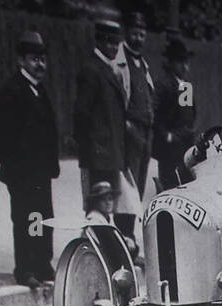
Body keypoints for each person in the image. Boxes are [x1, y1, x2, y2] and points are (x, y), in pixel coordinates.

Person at [0, 28, 58, 289]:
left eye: (42, 59)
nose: (39, 65)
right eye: (33, 59)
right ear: (21, 61)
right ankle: (26, 268)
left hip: (40, 172)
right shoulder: (12, 90)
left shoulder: (40, 90)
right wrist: (14, 165)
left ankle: (42, 263)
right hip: (22, 172)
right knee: (26, 219)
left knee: (42, 217)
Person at [72, 18, 126, 218]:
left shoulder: (107, 70)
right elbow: (81, 113)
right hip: (98, 155)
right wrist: (89, 151)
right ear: (99, 43)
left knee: (108, 207)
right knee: (96, 206)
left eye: (116, 43)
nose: (113, 47)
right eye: (109, 42)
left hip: (109, 153)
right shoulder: (91, 71)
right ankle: (93, 244)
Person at [116, 7, 153, 203]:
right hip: (130, 133)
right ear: (126, 32)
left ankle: (133, 230)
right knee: (127, 190)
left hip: (146, 133)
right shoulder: (119, 62)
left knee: (139, 186)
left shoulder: (143, 64)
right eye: (135, 34)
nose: (138, 38)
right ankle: (126, 230)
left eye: (142, 34)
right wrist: (127, 125)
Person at [151, 34, 193, 191]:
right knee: (169, 186)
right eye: (180, 62)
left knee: (186, 184)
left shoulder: (185, 86)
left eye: (187, 62)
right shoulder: (163, 84)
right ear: (171, 63)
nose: (185, 67)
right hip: (168, 147)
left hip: (184, 144)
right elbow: (153, 113)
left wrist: (188, 132)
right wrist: (166, 135)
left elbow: (188, 116)